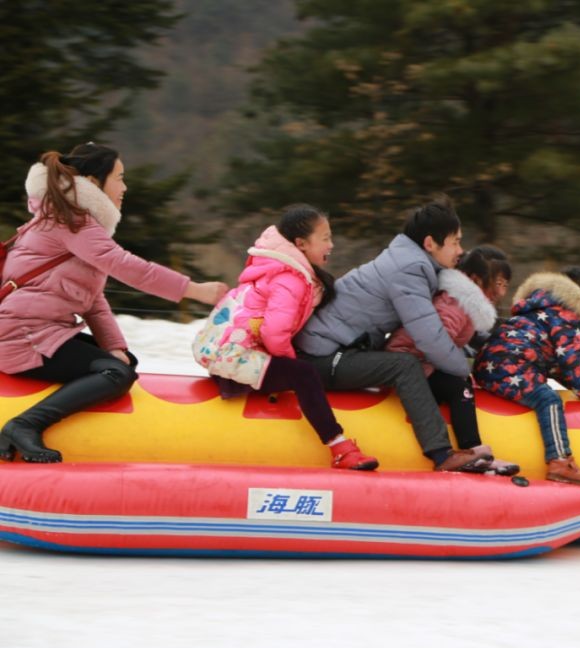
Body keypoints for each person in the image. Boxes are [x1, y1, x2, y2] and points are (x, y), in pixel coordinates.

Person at [0, 143, 228, 463]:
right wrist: (197, 291)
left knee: (120, 365)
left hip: (36, 331)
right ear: (94, 183)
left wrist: (114, 346)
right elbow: (129, 267)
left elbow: (93, 299)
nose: (124, 187)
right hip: (25, 336)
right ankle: (23, 425)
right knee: (115, 375)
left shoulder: (68, 219)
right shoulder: (71, 221)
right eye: (119, 177)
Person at [295, 198, 490, 473]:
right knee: (405, 366)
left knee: (409, 362)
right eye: (455, 242)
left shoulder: (412, 263)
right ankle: (441, 453)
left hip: (338, 349)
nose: (460, 250)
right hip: (321, 357)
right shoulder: (408, 270)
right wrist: (463, 369)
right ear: (430, 243)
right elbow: (428, 336)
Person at [192, 204, 378, 470]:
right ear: (301, 244)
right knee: (303, 373)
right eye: (325, 238)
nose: (331, 245)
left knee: (297, 369)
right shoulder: (289, 279)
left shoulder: (277, 268)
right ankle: (339, 447)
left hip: (219, 347)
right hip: (232, 355)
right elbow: (274, 331)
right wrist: (291, 363)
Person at [384, 246, 520, 476]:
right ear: (476, 279)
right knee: (459, 388)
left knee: (458, 382)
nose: (502, 291)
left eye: (505, 284)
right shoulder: (453, 305)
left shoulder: (465, 303)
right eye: (498, 283)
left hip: (422, 361)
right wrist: (459, 371)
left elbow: (467, 338)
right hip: (409, 361)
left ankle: (473, 451)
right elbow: (436, 344)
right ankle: (473, 450)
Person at [473, 266, 580, 487]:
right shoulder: (568, 320)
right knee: (549, 400)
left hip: (487, 366)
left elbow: (554, 363)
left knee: (541, 388)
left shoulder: (540, 309)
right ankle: (560, 462)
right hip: (512, 367)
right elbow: (574, 368)